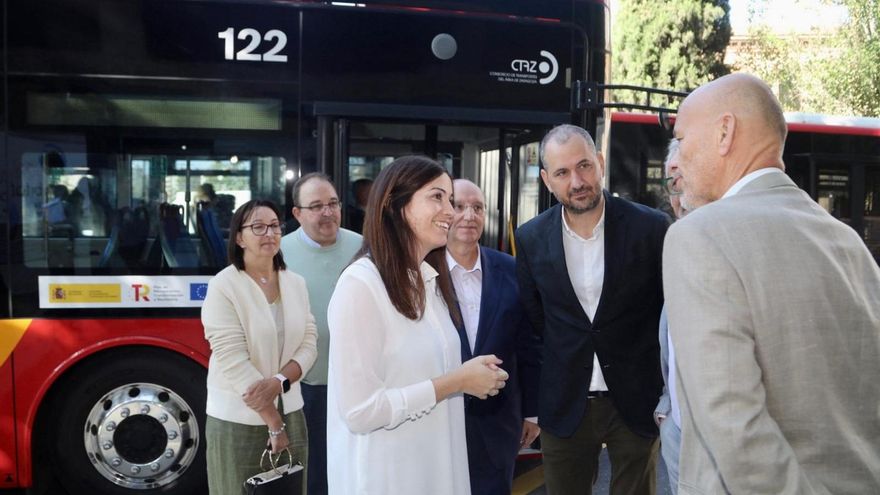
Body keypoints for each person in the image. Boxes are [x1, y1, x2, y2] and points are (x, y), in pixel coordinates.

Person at [664, 73, 880, 494]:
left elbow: (734, 429)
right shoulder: (846, 240)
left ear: (725, 133)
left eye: (682, 139)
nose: (676, 160)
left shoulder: (699, 235)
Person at [326, 155, 509, 494]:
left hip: (437, 473)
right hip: (387, 479)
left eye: (450, 200)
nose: (451, 212)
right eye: (437, 197)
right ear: (396, 205)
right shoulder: (361, 285)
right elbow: (361, 411)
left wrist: (468, 373)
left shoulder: (428, 280)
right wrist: (456, 381)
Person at [516, 124, 668, 495]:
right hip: (565, 400)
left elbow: (666, 312)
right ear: (546, 180)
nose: (577, 180)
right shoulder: (531, 238)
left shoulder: (651, 228)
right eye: (563, 173)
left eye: (584, 166)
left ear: (600, 163)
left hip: (635, 398)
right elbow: (537, 320)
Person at [202, 199, 318, 494]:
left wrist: (280, 382)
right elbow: (232, 360)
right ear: (239, 237)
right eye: (258, 227)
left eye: (275, 226)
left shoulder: (296, 283)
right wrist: (273, 421)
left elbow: (309, 343)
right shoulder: (223, 286)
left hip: (292, 413)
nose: (270, 233)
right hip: (239, 419)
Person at [446, 178, 542, 494]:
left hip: (498, 424)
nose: (469, 215)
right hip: (438, 423)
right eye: (459, 206)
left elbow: (528, 347)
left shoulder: (511, 270)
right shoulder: (419, 275)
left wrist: (532, 412)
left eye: (478, 208)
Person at [280, 172, 362, 495]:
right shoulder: (279, 253)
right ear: (297, 214)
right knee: (312, 474)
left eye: (332, 204)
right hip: (306, 387)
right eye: (316, 206)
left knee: (352, 471)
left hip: (356, 382)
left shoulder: (362, 245)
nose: (327, 212)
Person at [653, 140, 687, 494]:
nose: (676, 195)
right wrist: (667, 408)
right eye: (671, 183)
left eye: (681, 180)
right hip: (677, 429)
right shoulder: (675, 242)